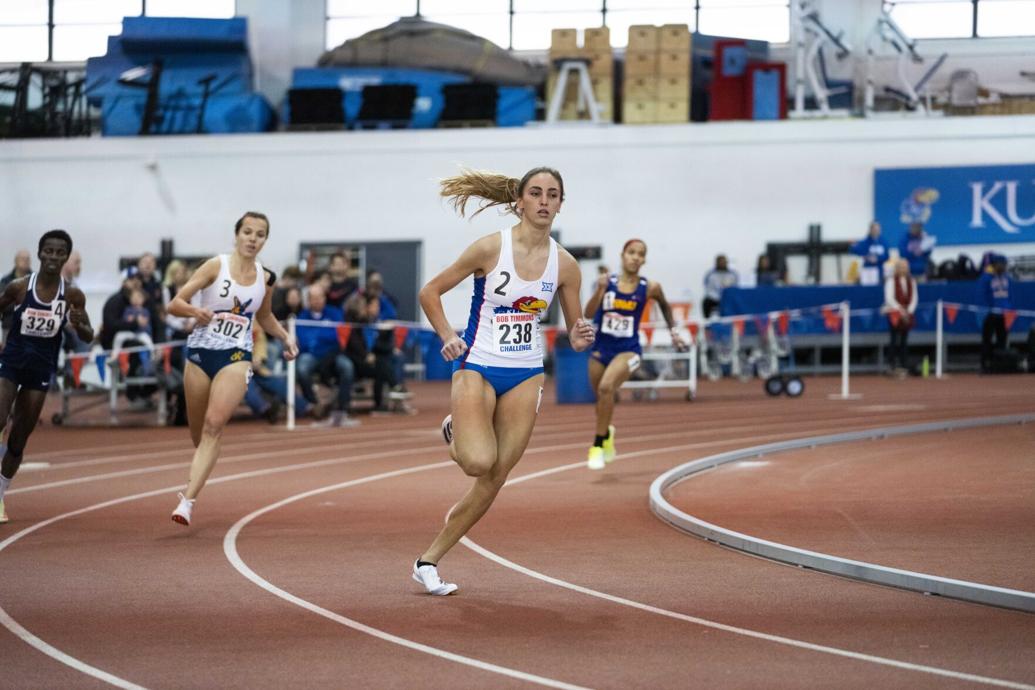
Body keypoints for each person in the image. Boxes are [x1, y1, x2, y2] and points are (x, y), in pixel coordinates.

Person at [412, 166, 595, 596]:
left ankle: (428, 561)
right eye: (536, 193)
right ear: (520, 201)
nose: (545, 201)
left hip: (527, 372)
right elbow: (429, 292)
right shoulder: (490, 248)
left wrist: (582, 335)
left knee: (495, 476)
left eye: (553, 194)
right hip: (476, 363)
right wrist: (447, 336)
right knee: (476, 461)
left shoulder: (565, 265)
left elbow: (575, 331)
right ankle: (454, 430)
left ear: (561, 204)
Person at [166, 212, 298, 526]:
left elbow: (264, 316)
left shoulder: (266, 278)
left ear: (265, 240)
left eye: (260, 234)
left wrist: (284, 338)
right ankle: (197, 476)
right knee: (199, 436)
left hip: (236, 356)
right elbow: (174, 304)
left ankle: (188, 501)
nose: (253, 239)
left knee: (214, 425)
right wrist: (195, 310)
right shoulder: (215, 266)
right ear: (237, 235)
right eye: (248, 232)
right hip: (200, 354)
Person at [0, 230, 93, 523]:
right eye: (48, 251)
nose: (53, 257)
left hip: (40, 369)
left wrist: (79, 326)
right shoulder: (18, 287)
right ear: (40, 254)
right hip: (12, 363)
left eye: (59, 252)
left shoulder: (73, 295)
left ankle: (0, 495)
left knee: (18, 440)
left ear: (66, 257)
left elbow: (89, 336)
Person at [584, 239, 686, 470]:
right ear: (622, 255)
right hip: (601, 349)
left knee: (606, 388)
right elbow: (589, 313)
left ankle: (598, 446)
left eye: (640, 254)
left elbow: (666, 307)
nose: (635, 257)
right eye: (631, 252)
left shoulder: (650, 287)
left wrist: (674, 332)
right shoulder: (605, 283)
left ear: (644, 260)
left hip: (628, 350)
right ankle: (607, 431)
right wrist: (600, 289)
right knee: (602, 400)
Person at [296, 283, 358, 427]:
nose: (317, 301)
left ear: (324, 298)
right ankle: (314, 404)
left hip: (333, 354)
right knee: (302, 368)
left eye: (320, 297)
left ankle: (343, 408)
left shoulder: (335, 313)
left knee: (347, 367)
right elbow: (304, 341)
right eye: (314, 298)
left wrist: (318, 338)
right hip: (311, 355)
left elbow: (338, 336)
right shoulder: (302, 316)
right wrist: (323, 337)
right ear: (309, 300)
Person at [882, 259, 917, 377]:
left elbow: (914, 298)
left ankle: (903, 364)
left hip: (907, 314)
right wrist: (901, 310)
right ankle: (891, 364)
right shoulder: (891, 281)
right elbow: (889, 298)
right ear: (897, 268)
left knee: (904, 340)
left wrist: (909, 311)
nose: (903, 269)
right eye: (901, 267)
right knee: (894, 339)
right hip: (894, 314)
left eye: (905, 267)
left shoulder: (911, 281)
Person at [979, 254, 1011, 372]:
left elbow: (1009, 295)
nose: (1003, 267)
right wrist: (987, 309)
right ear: (994, 264)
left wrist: (1008, 308)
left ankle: (1000, 364)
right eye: (1000, 264)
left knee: (1002, 339)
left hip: (1003, 313)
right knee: (987, 340)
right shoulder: (987, 277)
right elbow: (983, 295)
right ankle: (985, 364)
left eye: (1004, 264)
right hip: (991, 313)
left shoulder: (1006, 277)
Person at [851, 221, 888, 286]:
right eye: (874, 229)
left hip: (879, 270)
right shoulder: (865, 242)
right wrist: (866, 256)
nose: (876, 231)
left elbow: (887, 256)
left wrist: (877, 259)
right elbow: (854, 250)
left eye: (878, 229)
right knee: (867, 289)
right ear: (870, 230)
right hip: (868, 270)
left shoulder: (883, 242)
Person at [702, 254, 738, 319]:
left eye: (724, 262)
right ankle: (707, 323)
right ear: (717, 263)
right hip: (715, 298)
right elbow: (708, 289)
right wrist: (718, 297)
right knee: (706, 301)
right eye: (720, 262)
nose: (722, 264)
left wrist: (727, 296)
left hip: (729, 298)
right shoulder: (711, 274)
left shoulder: (732, 274)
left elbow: (735, 288)